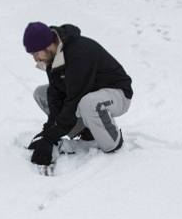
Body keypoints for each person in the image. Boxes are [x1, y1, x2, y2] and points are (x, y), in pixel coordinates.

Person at [23, 22, 134, 168]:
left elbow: (75, 98)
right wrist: (48, 133)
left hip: (117, 94)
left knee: (88, 103)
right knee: (41, 93)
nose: (35, 59)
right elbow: (55, 96)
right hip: (88, 95)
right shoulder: (53, 57)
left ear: (48, 45)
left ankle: (113, 141)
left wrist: (51, 137)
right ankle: (86, 129)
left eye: (36, 53)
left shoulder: (79, 53)